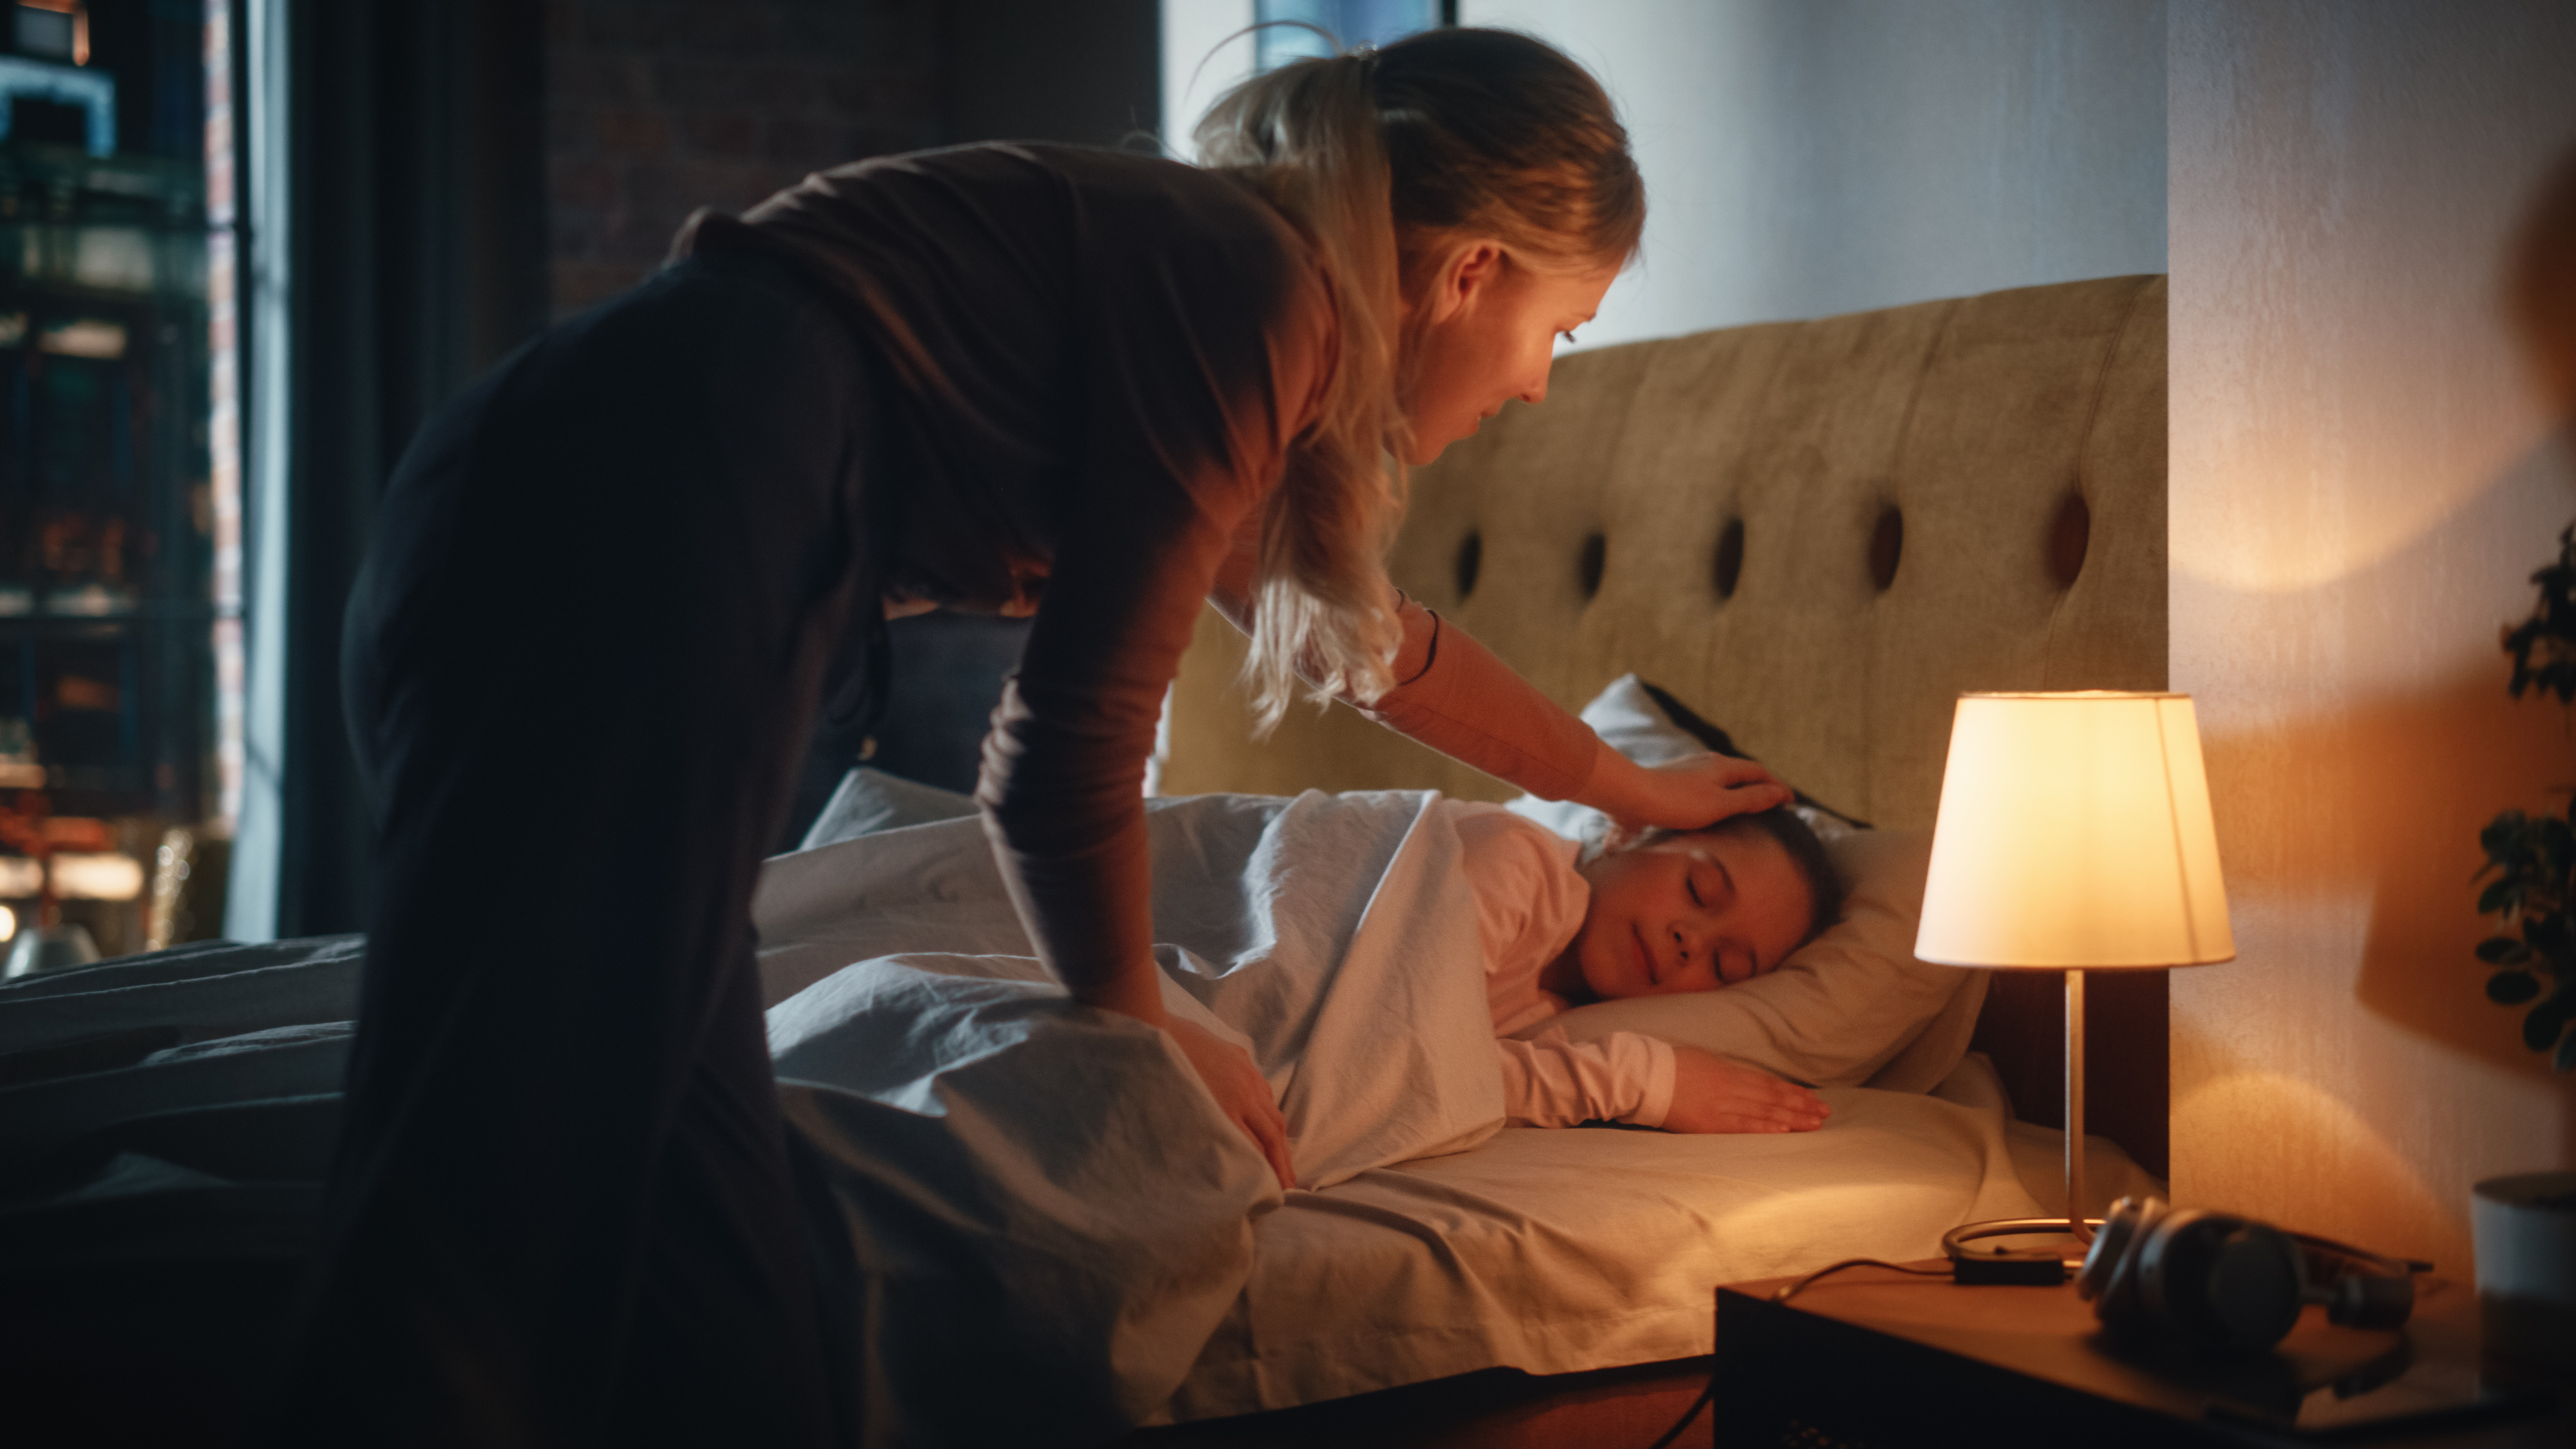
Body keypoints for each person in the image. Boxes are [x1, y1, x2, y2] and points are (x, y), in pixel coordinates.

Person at [270, 28, 1789, 1449]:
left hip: (601, 505)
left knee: (714, 1257)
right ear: (1470, 271)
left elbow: (1377, 650)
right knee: (486, 1230)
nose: (1540, 381)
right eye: (1561, 329)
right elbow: (1063, 750)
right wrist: (1141, 1009)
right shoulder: (1255, 294)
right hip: (627, 521)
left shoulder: (1229, 292)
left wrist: (1618, 783)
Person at [1459, 802, 1842, 1134]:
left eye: (1725, 965)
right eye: (1698, 889)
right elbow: (1410, 1068)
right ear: (1632, 834)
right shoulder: (1508, 856)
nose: (1691, 942)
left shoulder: (1554, 1019)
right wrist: (1637, 1080)